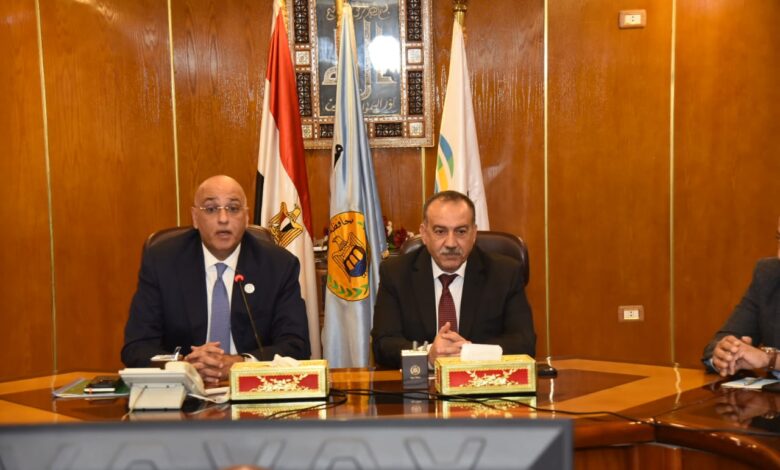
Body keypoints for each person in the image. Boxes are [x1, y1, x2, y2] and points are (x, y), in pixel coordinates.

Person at [122, 175, 310, 383]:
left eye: (233, 208)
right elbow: (136, 347)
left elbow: (296, 345)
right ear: (195, 218)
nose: (223, 219)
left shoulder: (278, 265)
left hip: (253, 388)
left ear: (247, 217)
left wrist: (240, 364)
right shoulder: (162, 262)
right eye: (211, 209)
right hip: (182, 391)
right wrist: (184, 365)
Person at [371, 191, 536, 369]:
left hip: (482, 383)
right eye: (440, 231)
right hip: (420, 384)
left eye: (461, 231)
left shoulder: (505, 274)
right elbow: (383, 344)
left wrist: (471, 352)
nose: (451, 243)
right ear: (424, 234)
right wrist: (427, 354)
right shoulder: (395, 273)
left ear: (474, 233)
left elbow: (524, 342)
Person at [702, 218, 780, 378]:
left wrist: (770, 359)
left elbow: (765, 359)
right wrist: (728, 352)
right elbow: (723, 339)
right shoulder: (769, 275)